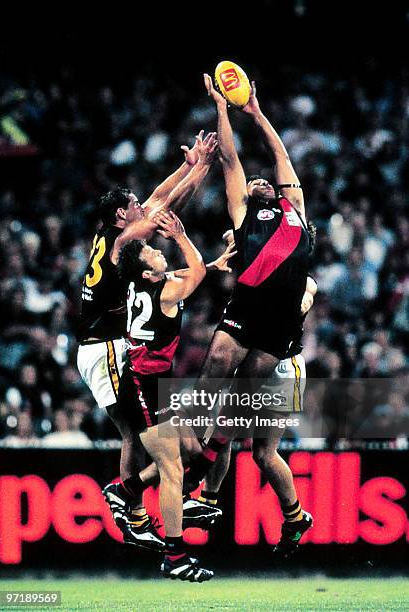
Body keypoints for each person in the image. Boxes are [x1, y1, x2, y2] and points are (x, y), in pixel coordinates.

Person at [184, 75, 315, 556]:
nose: (260, 179)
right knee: (214, 379)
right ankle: (200, 475)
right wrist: (222, 108)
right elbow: (230, 159)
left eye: (267, 181)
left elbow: (281, 158)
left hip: (280, 338)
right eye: (255, 180)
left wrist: (256, 111)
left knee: (248, 430)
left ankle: (213, 491)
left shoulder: (295, 208)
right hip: (247, 315)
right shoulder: (243, 215)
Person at [77, 131, 218, 551]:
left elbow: (159, 199)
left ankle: (158, 493)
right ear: (122, 215)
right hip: (103, 347)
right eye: (133, 205)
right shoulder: (122, 241)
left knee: (144, 429)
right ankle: (133, 509)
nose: (143, 206)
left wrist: (191, 167)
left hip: (106, 345)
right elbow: (163, 205)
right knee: (133, 431)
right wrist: (199, 167)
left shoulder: (111, 238)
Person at [117, 210, 214, 581]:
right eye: (152, 255)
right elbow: (197, 271)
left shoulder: (150, 284)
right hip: (144, 385)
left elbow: (185, 272)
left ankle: (125, 489)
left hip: (155, 382)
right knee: (173, 468)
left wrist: (207, 262)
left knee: (191, 450)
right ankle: (175, 557)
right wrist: (181, 235)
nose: (159, 253)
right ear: (146, 272)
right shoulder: (166, 291)